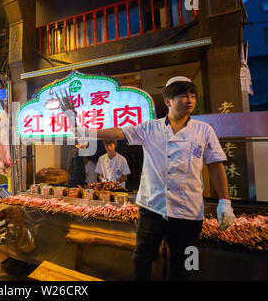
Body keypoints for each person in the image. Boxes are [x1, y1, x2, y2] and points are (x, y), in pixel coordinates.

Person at [76, 76, 235, 281]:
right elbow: (118, 132)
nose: (189, 99)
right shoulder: (149, 128)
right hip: (152, 209)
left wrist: (225, 201)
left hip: (190, 213)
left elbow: (215, 165)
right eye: (183, 95)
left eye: (192, 95)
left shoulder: (205, 130)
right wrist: (87, 131)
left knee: (188, 263)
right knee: (142, 258)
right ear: (168, 101)